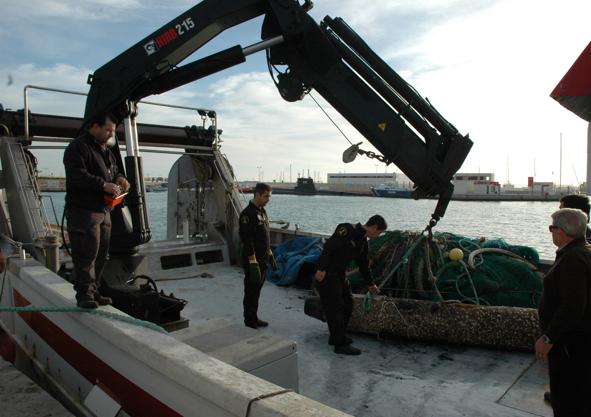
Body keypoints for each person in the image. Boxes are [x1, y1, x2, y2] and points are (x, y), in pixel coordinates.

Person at [63, 111, 130, 309]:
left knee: (101, 254)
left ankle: (95, 291)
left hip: (103, 210)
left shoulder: (106, 151)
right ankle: (84, 295)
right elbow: (77, 175)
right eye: (108, 130)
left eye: (113, 131)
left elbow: (115, 171)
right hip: (83, 212)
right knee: (86, 254)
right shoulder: (77, 148)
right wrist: (104, 185)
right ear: (94, 127)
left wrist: (120, 179)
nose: (111, 134)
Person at [536, 208, 591, 417]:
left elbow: (573, 306)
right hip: (580, 344)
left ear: (562, 231)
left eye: (552, 227)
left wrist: (548, 337)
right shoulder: (584, 251)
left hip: (569, 346)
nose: (550, 232)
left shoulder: (573, 260)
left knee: (567, 398)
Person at [314, 215, 386, 355]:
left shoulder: (363, 241)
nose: (378, 235)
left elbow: (364, 265)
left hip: (339, 275)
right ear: (374, 227)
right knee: (336, 307)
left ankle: (337, 336)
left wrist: (371, 284)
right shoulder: (347, 229)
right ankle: (340, 345)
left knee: (348, 303)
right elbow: (329, 247)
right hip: (327, 273)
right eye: (379, 232)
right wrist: (321, 269)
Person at [239, 182, 274, 329]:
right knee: (251, 291)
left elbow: (263, 235)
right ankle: (249, 320)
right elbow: (247, 240)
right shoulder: (247, 214)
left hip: (263, 258)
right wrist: (253, 262)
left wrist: (269, 253)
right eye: (266, 196)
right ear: (257, 195)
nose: (268, 199)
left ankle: (254, 316)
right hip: (253, 261)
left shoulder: (262, 212)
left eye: (269, 196)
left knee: (257, 291)